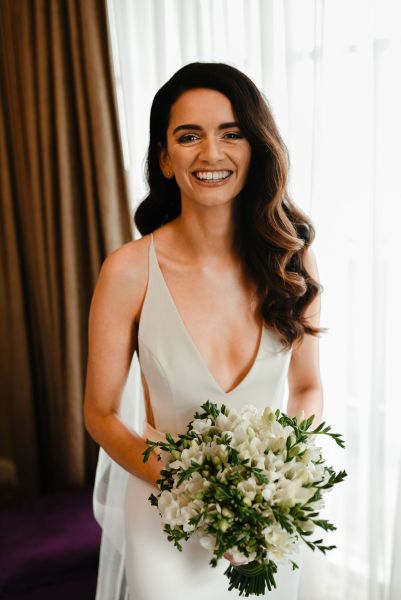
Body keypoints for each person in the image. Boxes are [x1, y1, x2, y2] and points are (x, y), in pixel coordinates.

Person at [84, 62, 324, 600]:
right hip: (163, 515)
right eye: (188, 137)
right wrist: (190, 486)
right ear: (165, 159)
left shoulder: (291, 259)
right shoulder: (127, 270)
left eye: (231, 134)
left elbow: (307, 388)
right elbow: (99, 413)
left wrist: (277, 475)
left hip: (269, 516)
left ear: (254, 149)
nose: (211, 154)